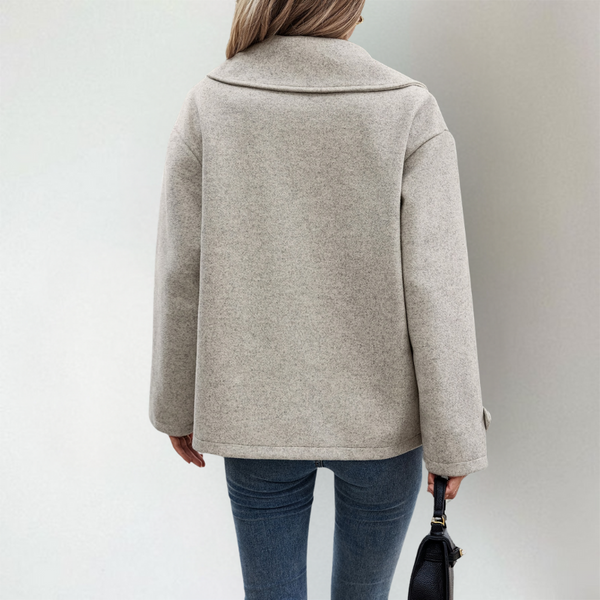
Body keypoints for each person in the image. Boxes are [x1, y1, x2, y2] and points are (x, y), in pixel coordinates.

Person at [149, 1, 492, 598]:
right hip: (384, 426)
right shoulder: (407, 109)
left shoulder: (212, 103)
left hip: (257, 418)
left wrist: (176, 404)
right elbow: (437, 288)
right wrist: (454, 434)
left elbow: (183, 270)